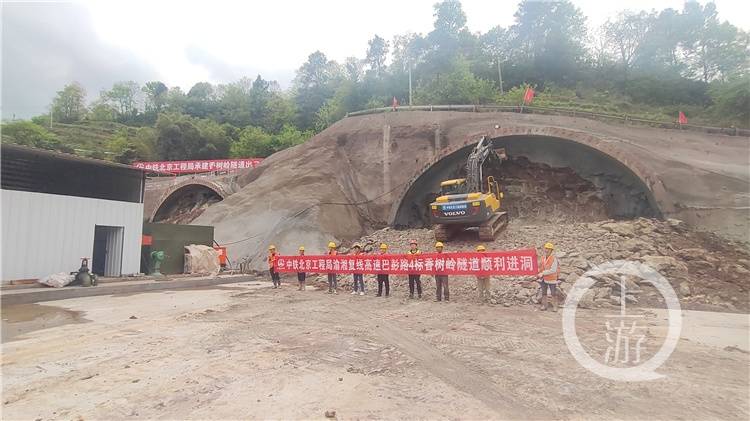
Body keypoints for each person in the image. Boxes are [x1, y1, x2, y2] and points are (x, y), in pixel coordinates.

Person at [538, 242, 560, 312]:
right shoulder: (543, 258)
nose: (546, 250)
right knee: (544, 293)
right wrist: (538, 272)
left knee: (553, 293)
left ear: (551, 250)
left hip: (551, 279)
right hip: (543, 279)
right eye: (546, 248)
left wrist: (543, 273)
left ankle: (555, 307)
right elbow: (540, 267)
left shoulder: (554, 259)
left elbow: (553, 270)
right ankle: (544, 305)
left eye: (548, 249)